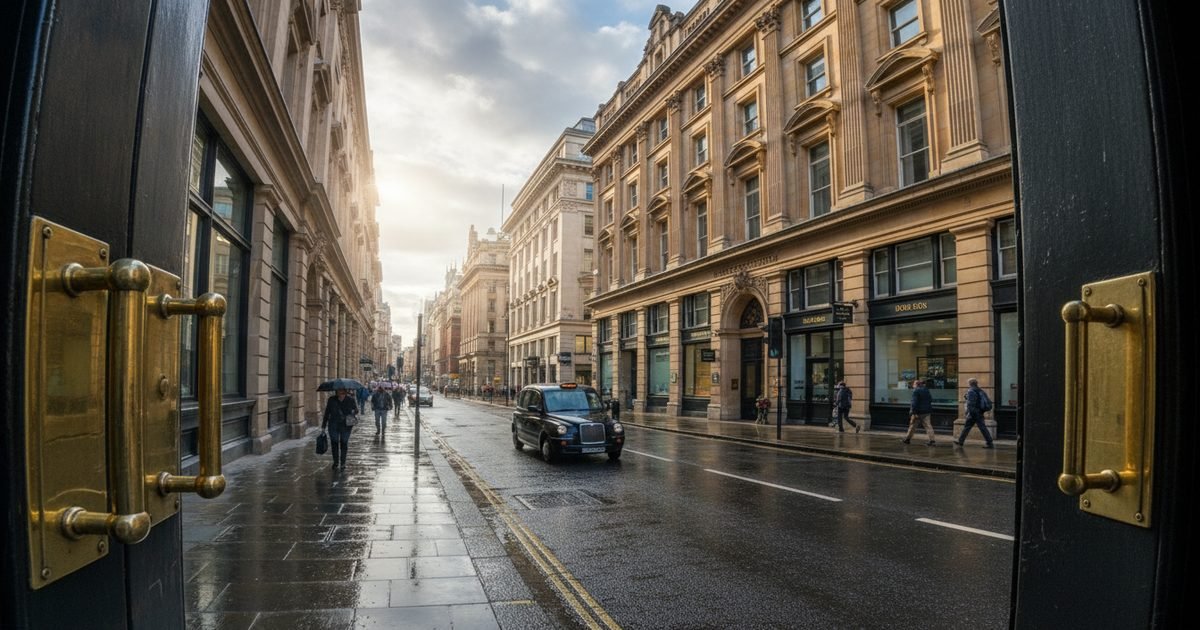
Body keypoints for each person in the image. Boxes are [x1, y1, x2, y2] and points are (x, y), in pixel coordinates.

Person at [321, 388, 359, 470]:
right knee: (334, 443)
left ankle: (343, 463)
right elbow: (327, 412)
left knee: (344, 443)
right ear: (336, 392)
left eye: (342, 391)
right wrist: (323, 425)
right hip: (333, 424)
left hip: (346, 425)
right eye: (339, 391)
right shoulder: (331, 400)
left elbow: (356, 410)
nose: (341, 393)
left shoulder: (350, 399)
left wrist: (352, 411)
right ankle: (336, 462)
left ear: (345, 392)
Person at [955, 378, 995, 448]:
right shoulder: (980, 390)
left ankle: (960, 441)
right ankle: (989, 442)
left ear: (970, 384)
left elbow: (971, 403)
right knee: (981, 427)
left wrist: (969, 412)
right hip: (979, 411)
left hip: (974, 413)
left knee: (968, 427)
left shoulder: (971, 391)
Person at [902, 380, 937, 445]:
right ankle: (932, 441)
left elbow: (914, 403)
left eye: (914, 384)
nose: (913, 386)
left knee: (912, 426)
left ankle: (907, 439)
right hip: (927, 412)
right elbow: (930, 399)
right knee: (928, 426)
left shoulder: (916, 391)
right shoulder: (926, 390)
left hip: (918, 412)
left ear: (917, 385)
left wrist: (913, 412)